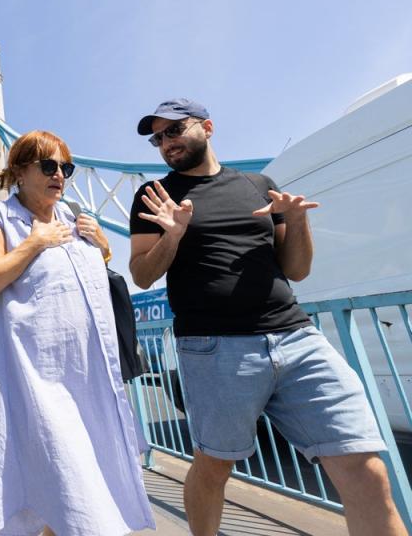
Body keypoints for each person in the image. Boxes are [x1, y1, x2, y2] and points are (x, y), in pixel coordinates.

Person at [129, 99, 403, 536]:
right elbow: (142, 274)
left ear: (207, 127)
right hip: (215, 346)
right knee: (214, 468)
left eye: (175, 130)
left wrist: (296, 222)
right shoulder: (155, 196)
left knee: (365, 466)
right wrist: (174, 234)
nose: (166, 143)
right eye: (157, 138)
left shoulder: (259, 185)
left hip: (296, 336)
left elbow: (296, 269)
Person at [0, 130, 154, 536]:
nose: (60, 175)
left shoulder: (72, 216)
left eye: (65, 167)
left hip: (92, 379)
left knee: (78, 489)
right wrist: (33, 243)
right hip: (41, 383)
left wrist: (103, 245)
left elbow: (92, 275)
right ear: (19, 171)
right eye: (49, 165)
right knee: (72, 488)